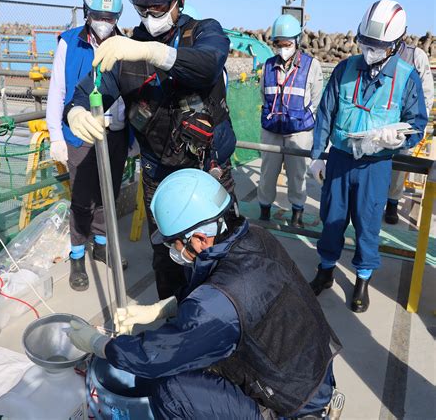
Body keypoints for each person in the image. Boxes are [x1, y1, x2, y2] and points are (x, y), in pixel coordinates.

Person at [67, 169, 343, 420]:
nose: (172, 250)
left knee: (171, 388)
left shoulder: (218, 302)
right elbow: (245, 301)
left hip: (289, 405)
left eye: (174, 242)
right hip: (308, 375)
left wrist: (97, 343)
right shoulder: (255, 238)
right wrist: (165, 308)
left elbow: (153, 358)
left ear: (199, 238)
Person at [64, 0, 237, 300]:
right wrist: (75, 111)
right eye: (142, 7)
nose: (150, 14)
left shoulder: (204, 32)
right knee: (167, 260)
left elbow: (208, 64)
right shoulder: (124, 51)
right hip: (158, 176)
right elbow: (87, 90)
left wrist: (151, 51)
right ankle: (172, 321)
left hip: (207, 172)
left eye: (158, 6)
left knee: (220, 258)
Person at [308, 0, 428, 313]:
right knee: (331, 219)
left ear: (396, 44)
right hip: (340, 160)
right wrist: (317, 155)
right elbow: (326, 112)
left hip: (376, 165)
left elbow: (417, 123)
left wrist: (397, 140)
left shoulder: (406, 77)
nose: (371, 50)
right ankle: (325, 270)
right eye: (366, 43)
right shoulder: (345, 68)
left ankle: (362, 280)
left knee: (368, 223)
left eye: (379, 45)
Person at [46, 0, 129, 292]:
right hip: (79, 134)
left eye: (111, 18)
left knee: (109, 195)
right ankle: (78, 254)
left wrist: (130, 134)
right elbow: (58, 93)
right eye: (100, 16)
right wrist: (56, 135)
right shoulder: (69, 42)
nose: (105, 23)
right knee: (81, 199)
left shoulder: (123, 44)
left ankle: (102, 243)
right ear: (87, 13)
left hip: (115, 134)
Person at [257, 14, 323, 227]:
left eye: (287, 44)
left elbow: (316, 100)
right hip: (272, 130)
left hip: (299, 131)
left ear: (297, 41)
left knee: (297, 175)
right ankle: (264, 209)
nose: (283, 48)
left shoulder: (312, 66)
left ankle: (297, 212)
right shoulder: (267, 66)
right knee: (267, 173)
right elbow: (262, 94)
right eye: (278, 44)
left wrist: (302, 121)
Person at [385, 36, 434, 224]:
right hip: (382, 119)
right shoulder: (378, 53)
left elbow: (427, 92)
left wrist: (417, 124)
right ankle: (375, 200)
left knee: (399, 164)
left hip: (405, 123)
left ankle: (392, 203)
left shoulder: (416, 56)